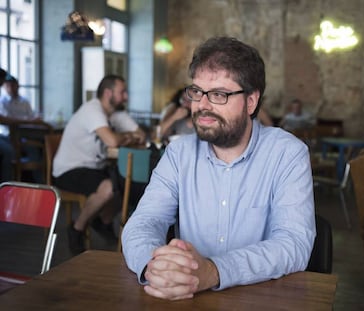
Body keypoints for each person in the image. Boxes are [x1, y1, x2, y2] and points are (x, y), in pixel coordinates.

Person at [122, 36, 316, 300]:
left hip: (260, 300)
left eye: (219, 95)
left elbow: (293, 243)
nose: (202, 105)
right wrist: (154, 266)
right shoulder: (179, 153)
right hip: (186, 298)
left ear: (251, 102)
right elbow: (145, 221)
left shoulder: (287, 154)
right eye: (196, 91)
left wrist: (214, 271)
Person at [53, 74, 146, 255]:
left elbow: (141, 135)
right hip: (69, 169)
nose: (126, 97)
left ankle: (102, 219)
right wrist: (126, 137)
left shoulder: (116, 114)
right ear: (107, 93)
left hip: (94, 168)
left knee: (130, 186)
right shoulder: (92, 110)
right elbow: (112, 141)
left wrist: (125, 137)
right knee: (108, 188)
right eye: (122, 92)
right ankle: (77, 228)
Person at [0, 75, 39, 182]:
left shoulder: (24, 101)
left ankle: (40, 183)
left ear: (18, 86)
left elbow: (31, 118)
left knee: (35, 150)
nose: (10, 88)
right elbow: (6, 120)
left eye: (13, 85)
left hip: (24, 135)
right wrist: (27, 120)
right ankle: (8, 185)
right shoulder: (2, 101)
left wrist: (28, 121)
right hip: (7, 135)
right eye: (7, 86)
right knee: (10, 151)